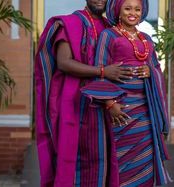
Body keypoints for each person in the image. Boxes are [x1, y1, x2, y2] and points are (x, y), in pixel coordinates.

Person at [35, 0, 134, 186]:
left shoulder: (111, 27)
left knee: (102, 158)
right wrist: (102, 71)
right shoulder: (70, 23)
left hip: (104, 106)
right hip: (75, 103)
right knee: (74, 161)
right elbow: (64, 63)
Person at [81, 0, 172, 186]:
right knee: (121, 167)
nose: (133, 13)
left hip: (146, 114)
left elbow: (156, 68)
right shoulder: (109, 35)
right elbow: (100, 69)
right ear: (118, 11)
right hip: (121, 112)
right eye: (128, 8)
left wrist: (149, 71)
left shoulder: (146, 38)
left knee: (145, 165)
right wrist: (110, 104)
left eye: (137, 9)